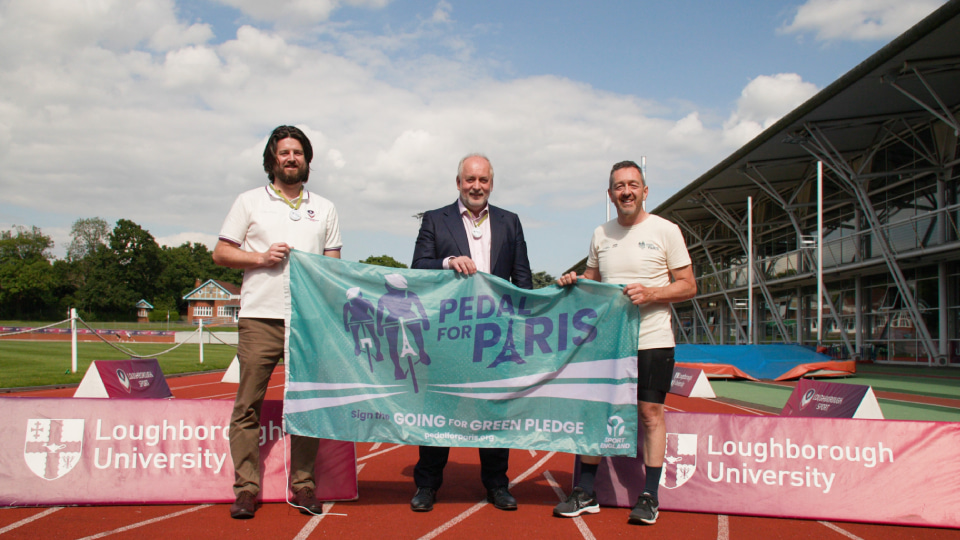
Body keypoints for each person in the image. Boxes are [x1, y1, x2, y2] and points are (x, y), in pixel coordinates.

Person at [552, 160, 695, 525]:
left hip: (652, 339)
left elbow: (689, 285)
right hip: (609, 344)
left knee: (650, 414)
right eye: (619, 186)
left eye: (633, 184)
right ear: (611, 194)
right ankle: (585, 491)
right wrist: (573, 281)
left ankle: (650, 496)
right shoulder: (601, 234)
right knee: (596, 413)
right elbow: (592, 282)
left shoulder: (667, 231)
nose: (626, 191)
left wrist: (652, 292)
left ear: (645, 191)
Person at [212, 125, 342, 520]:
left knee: (307, 404)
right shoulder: (249, 202)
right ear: (272, 160)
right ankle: (246, 488)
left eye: (298, 153)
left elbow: (333, 265)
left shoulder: (326, 208)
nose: (291, 159)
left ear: (307, 160)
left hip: (308, 320)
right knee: (247, 403)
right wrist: (260, 258)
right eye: (284, 153)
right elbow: (220, 253)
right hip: (260, 317)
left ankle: (303, 484)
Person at [409, 153, 533, 512]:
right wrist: (448, 262)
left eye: (483, 180)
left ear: (491, 184)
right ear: (458, 182)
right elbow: (418, 268)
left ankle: (497, 485)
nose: (476, 186)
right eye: (470, 180)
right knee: (439, 409)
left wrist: (523, 327)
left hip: (496, 337)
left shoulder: (511, 222)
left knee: (494, 411)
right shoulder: (435, 220)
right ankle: (427, 485)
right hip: (448, 334)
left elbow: (521, 277)